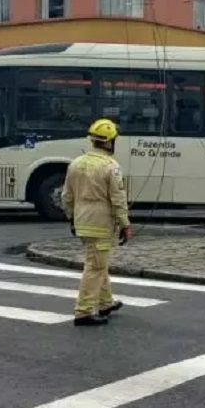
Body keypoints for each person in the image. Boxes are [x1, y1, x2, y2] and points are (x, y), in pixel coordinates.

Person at [62, 118, 133, 327]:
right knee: (95, 266)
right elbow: (118, 199)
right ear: (110, 141)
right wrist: (125, 224)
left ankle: (105, 303)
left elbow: (67, 196)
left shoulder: (76, 163)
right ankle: (83, 311)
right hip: (101, 224)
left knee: (99, 263)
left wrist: (71, 218)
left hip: (82, 221)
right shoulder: (111, 167)